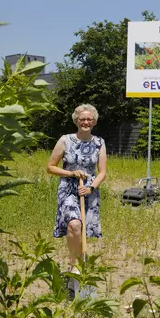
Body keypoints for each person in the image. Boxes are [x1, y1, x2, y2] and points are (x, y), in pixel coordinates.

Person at [46, 103, 107, 297]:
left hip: (88, 190)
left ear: (94, 122)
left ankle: (77, 273)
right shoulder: (65, 140)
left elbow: (102, 172)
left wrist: (90, 187)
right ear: (76, 120)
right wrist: (72, 172)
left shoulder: (99, 143)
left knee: (82, 229)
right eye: (82, 119)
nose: (86, 122)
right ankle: (75, 268)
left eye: (89, 119)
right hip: (68, 189)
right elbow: (50, 167)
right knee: (73, 224)